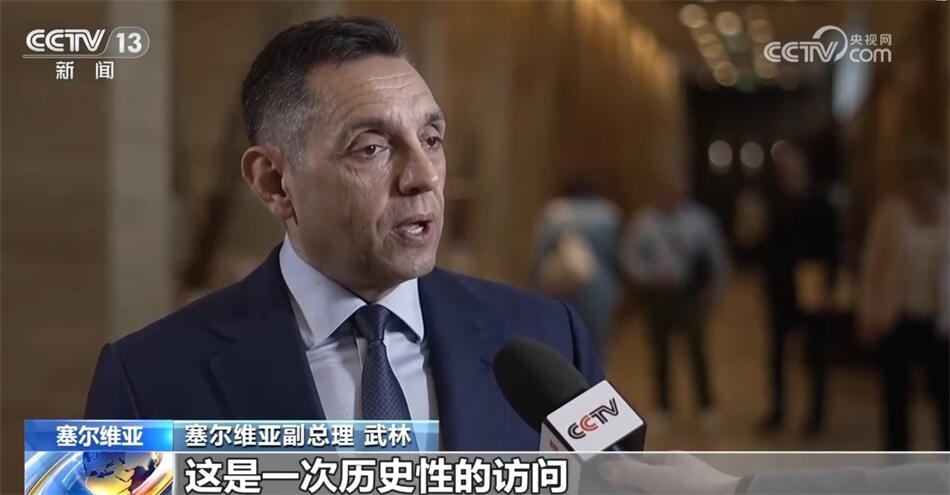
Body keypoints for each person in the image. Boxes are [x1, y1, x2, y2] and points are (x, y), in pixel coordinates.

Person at [84, 17, 603, 451]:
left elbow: (611, 477)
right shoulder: (146, 380)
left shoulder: (551, 339)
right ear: (274, 182)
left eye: (431, 139)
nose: (424, 176)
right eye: (372, 148)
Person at [620, 167, 730, 428]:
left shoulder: (701, 220)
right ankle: (663, 406)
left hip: (689, 293)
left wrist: (716, 292)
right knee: (659, 351)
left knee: (695, 349)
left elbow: (717, 257)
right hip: (657, 294)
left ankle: (705, 405)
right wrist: (647, 275)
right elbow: (628, 256)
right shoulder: (644, 222)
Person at [857, 150, 949, 451]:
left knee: (944, 397)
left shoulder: (947, 212)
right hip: (896, 316)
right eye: (913, 179)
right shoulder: (890, 213)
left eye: (925, 179)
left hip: (940, 321)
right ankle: (897, 464)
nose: (919, 186)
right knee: (895, 399)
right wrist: (867, 312)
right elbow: (872, 265)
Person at [758, 142, 838, 435]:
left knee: (815, 356)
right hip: (781, 286)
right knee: (777, 354)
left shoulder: (819, 201)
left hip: (811, 284)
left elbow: (832, 247)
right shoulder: (775, 200)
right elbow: (767, 245)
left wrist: (829, 285)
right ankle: (778, 410)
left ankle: (816, 416)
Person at [532, 181, 622, 359]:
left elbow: (540, 253)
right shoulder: (608, 214)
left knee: (560, 340)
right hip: (599, 284)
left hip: (559, 285)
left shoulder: (554, 213)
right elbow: (615, 254)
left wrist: (534, 282)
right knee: (595, 341)